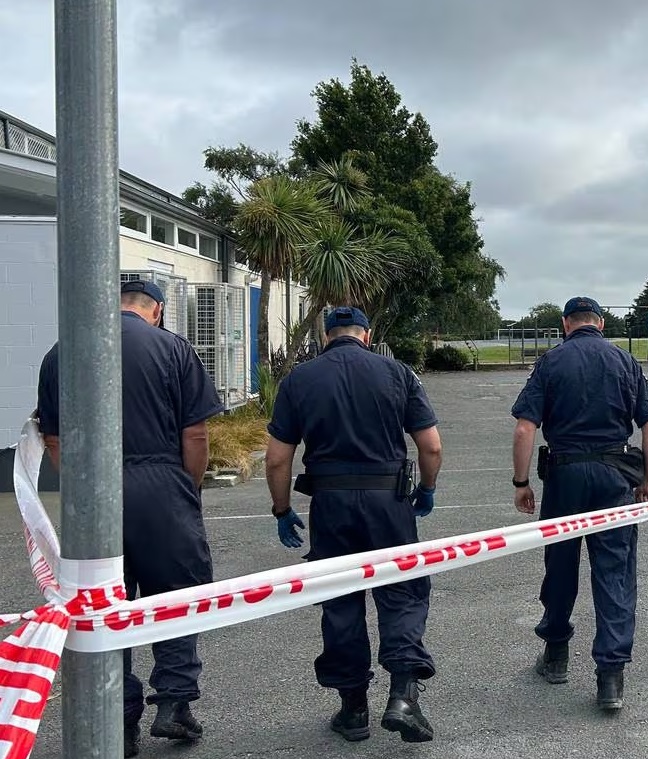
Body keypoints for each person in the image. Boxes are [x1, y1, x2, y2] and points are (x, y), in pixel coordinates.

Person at [36, 280, 224, 757]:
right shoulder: (174, 349)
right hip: (161, 484)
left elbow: (53, 441)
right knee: (176, 593)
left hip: (95, 492)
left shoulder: (63, 352)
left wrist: (84, 493)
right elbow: (195, 434)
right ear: (157, 309)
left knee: (103, 604)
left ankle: (117, 719)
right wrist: (187, 488)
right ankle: (174, 705)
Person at [264, 306, 444, 743]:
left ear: (326, 336)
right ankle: (403, 695)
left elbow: (276, 458)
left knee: (340, 599)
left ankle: (353, 709)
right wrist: (427, 490)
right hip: (389, 502)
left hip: (331, 504)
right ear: (366, 334)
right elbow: (431, 447)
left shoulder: (300, 380)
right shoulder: (397, 373)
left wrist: (282, 509)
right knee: (402, 592)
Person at [511, 296, 648, 711]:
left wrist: (522, 482)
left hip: (565, 474)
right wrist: (647, 481)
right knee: (614, 569)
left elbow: (527, 427)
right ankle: (610, 677)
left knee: (560, 564)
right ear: (599, 322)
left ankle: (557, 654)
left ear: (566, 324)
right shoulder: (625, 362)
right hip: (615, 475)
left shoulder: (550, 362)